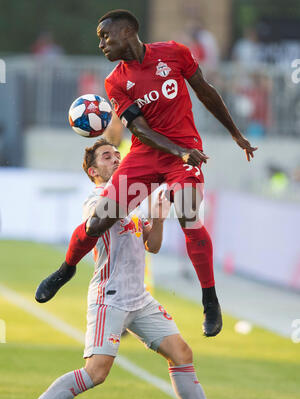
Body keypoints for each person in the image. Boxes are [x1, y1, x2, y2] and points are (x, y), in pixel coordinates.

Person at [36, 9, 258, 338]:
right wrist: (179, 150)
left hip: (183, 151)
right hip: (147, 153)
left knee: (188, 213)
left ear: (127, 32)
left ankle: (210, 300)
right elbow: (139, 130)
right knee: (100, 220)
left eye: (105, 36)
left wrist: (235, 133)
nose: (102, 44)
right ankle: (66, 270)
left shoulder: (175, 53)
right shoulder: (115, 82)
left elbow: (206, 91)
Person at [30, 140, 209, 399]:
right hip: (110, 298)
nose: (115, 159)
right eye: (106, 157)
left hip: (140, 298)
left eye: (117, 155)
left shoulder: (133, 200)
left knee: (182, 353)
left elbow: (153, 246)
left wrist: (158, 219)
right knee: (96, 373)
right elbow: (102, 220)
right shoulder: (95, 200)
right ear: (93, 171)